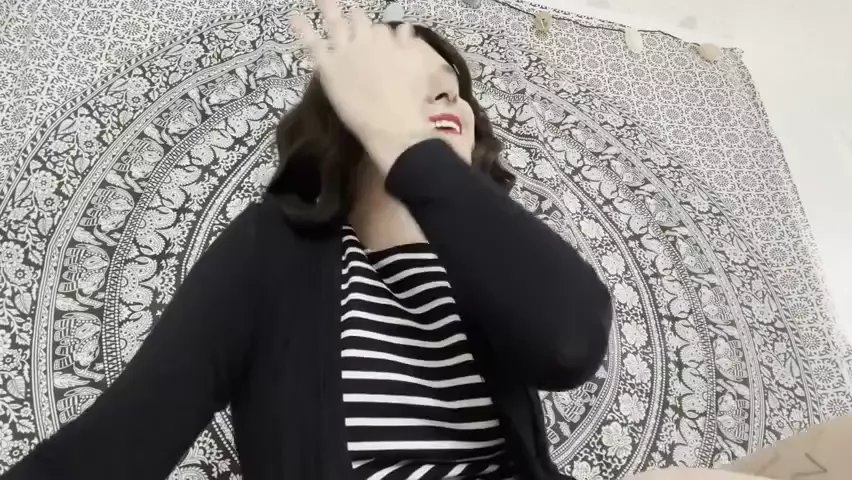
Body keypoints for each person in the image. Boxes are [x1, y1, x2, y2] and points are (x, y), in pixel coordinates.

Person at [0, 1, 613, 479]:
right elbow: (115, 444)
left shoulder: (494, 267)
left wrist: (415, 153)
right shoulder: (274, 249)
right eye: (408, 82)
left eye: (452, 86)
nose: (449, 94)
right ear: (352, 111)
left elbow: (568, 344)